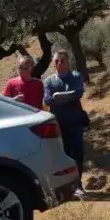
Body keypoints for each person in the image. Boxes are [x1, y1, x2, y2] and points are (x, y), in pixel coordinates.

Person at [43, 50, 88, 199]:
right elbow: (48, 100)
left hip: (75, 122)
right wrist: (66, 96)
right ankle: (66, 188)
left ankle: (78, 185)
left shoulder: (75, 76)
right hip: (58, 124)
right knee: (64, 155)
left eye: (62, 60)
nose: (59, 63)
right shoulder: (49, 81)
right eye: (56, 61)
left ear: (67, 61)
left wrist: (58, 96)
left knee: (78, 153)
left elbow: (78, 93)